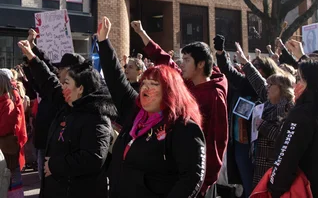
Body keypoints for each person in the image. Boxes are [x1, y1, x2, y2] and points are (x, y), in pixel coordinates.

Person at [97, 17, 206, 198]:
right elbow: (116, 80)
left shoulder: (183, 127)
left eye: (154, 84)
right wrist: (103, 42)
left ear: (170, 91)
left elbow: (192, 178)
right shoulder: (136, 112)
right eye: (144, 83)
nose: (145, 88)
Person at [131, 20, 228, 195]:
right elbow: (165, 61)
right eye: (182, 59)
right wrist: (142, 33)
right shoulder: (186, 82)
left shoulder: (214, 96)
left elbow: (217, 140)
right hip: (178, 167)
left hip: (199, 177)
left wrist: (206, 180)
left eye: (187, 60)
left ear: (200, 64)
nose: (181, 63)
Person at [18, 40, 115, 198]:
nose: (61, 86)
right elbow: (48, 82)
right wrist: (31, 56)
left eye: (66, 83)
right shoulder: (68, 107)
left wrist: (54, 165)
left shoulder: (97, 118)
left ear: (80, 88)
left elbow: (93, 158)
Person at [269, 58, 318, 198]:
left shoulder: (304, 114)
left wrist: (275, 188)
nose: (296, 85)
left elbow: (286, 158)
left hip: (310, 190)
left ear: (312, 83)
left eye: (299, 79)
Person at [24, 28, 87, 180]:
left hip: (58, 149)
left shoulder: (86, 106)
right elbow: (45, 71)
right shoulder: (56, 87)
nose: (58, 71)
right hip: (44, 140)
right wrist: (31, 51)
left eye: (62, 68)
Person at [235, 42, 295, 187]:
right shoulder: (268, 101)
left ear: (281, 88)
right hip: (259, 160)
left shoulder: (288, 107)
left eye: (270, 86)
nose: (266, 88)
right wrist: (245, 62)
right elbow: (259, 83)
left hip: (273, 164)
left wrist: (262, 125)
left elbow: (282, 136)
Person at [0, 72, 24, 198]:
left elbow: (4, 128)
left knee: (11, 184)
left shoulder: (8, 103)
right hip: (4, 149)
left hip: (7, 150)